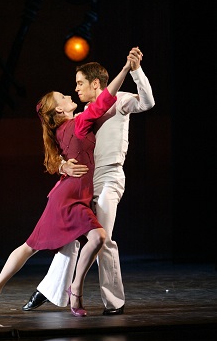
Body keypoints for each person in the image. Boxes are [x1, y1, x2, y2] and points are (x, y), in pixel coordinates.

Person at [0, 50, 134, 317]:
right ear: (60, 109)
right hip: (73, 197)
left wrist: (62, 164)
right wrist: (126, 69)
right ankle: (76, 292)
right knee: (96, 238)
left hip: (63, 195)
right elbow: (106, 99)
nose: (69, 93)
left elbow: (56, 158)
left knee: (30, 246)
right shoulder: (80, 123)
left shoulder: (59, 133)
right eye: (63, 97)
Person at [22, 47, 155, 315]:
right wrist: (63, 165)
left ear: (96, 83)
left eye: (80, 83)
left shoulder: (120, 99)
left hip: (109, 177)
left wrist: (136, 70)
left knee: (102, 238)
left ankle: (114, 302)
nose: (77, 88)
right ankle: (48, 290)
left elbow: (148, 102)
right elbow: (62, 147)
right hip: (84, 182)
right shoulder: (82, 112)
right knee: (68, 240)